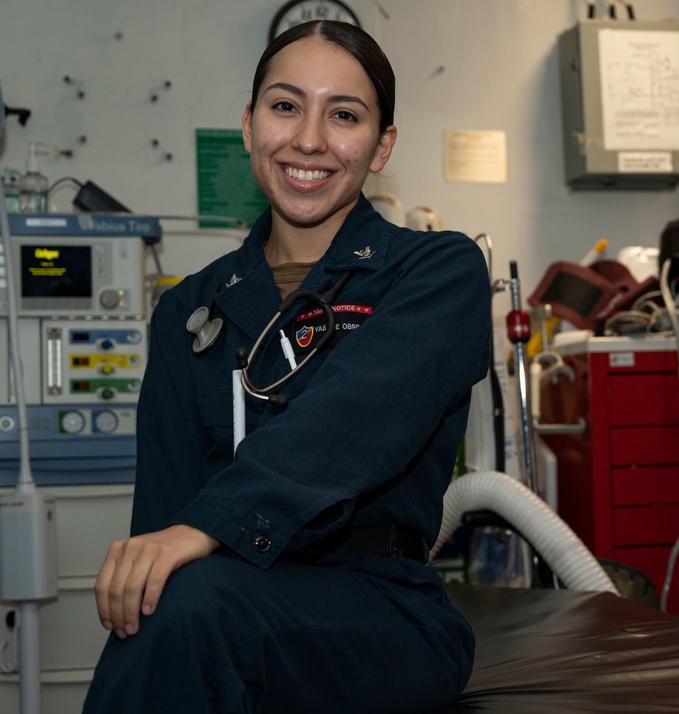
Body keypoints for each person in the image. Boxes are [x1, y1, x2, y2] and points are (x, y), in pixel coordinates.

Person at [83, 20, 491, 713]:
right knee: (171, 603)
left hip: (380, 607)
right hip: (218, 600)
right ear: (248, 126)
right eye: (285, 106)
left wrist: (207, 529)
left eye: (344, 115)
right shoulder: (190, 308)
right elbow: (162, 521)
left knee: (197, 607)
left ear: (382, 145)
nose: (308, 139)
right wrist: (159, 565)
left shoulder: (436, 271)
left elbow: (356, 418)